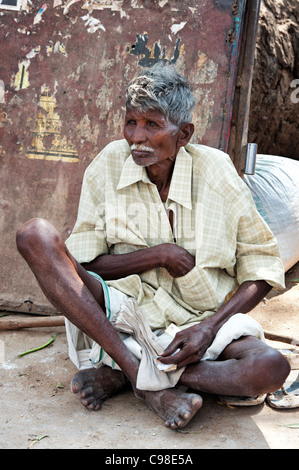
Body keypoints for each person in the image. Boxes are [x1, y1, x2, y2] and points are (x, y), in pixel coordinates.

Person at [16, 63, 290, 430]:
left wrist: (209, 327)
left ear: (184, 134)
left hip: (197, 320)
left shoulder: (216, 171)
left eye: (152, 125)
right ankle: (141, 379)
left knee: (271, 368)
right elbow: (87, 265)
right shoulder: (108, 165)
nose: (136, 138)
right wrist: (158, 255)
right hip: (122, 311)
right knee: (34, 235)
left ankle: (126, 376)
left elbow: (261, 266)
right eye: (132, 122)